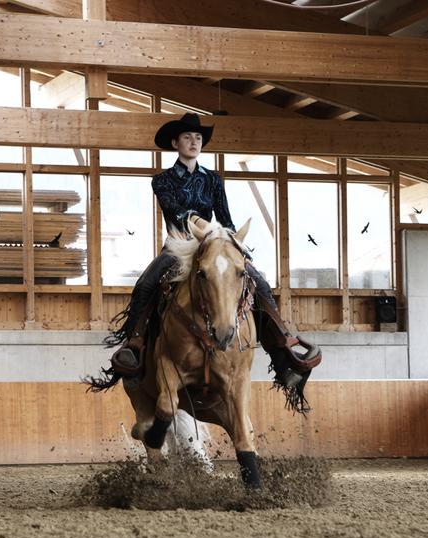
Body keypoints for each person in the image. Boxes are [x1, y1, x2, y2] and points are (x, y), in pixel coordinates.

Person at [91, 112, 321, 412]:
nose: (194, 142)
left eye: (198, 138)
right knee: (147, 282)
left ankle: (282, 354)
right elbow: (175, 213)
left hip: (214, 245)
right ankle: (133, 347)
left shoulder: (213, 179)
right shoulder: (161, 181)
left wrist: (235, 245)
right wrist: (200, 223)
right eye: (188, 137)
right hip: (178, 246)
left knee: (259, 282)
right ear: (176, 142)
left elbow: (224, 218)